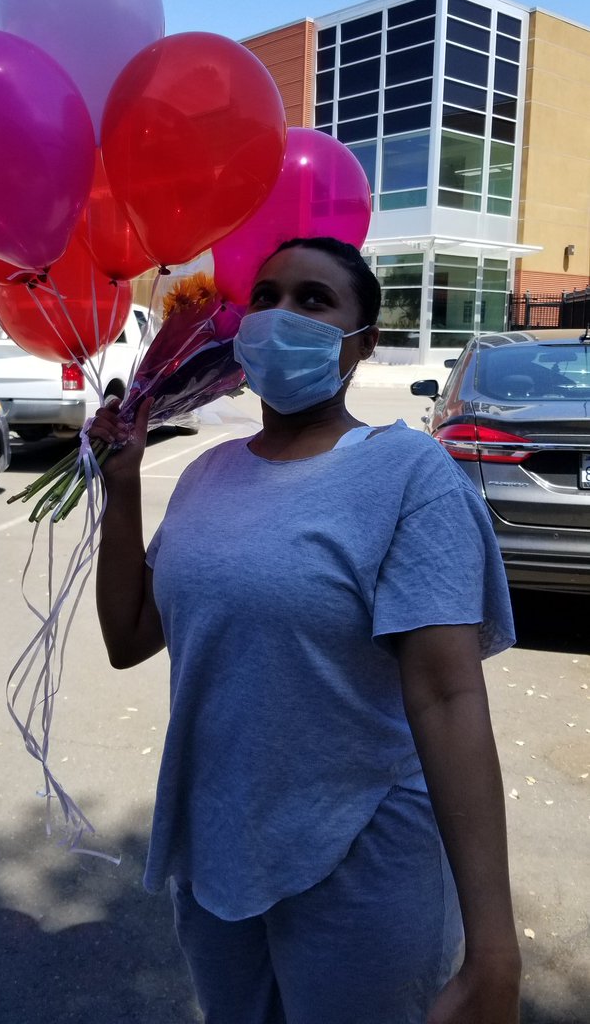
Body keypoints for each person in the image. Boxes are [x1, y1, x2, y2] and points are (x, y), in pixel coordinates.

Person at [92, 237, 521, 1024]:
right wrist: (122, 491)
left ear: (363, 346)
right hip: (215, 847)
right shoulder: (205, 475)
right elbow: (127, 637)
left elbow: (447, 696)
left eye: (313, 300)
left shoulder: (408, 475)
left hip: (361, 856)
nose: (279, 315)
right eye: (265, 296)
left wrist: (494, 950)